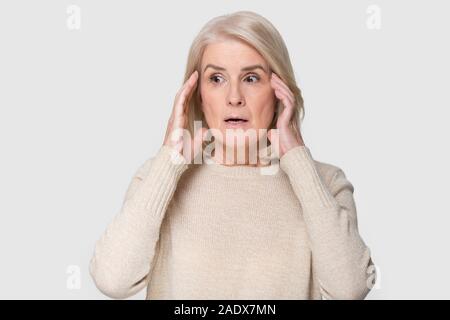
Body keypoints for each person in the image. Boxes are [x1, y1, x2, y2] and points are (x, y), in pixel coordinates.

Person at [89, 10, 376, 300]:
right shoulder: (157, 179)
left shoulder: (325, 182)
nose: (234, 97)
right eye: (216, 78)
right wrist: (169, 162)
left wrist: (298, 161)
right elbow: (113, 280)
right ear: (197, 93)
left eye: (251, 78)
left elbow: (349, 289)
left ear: (279, 91)